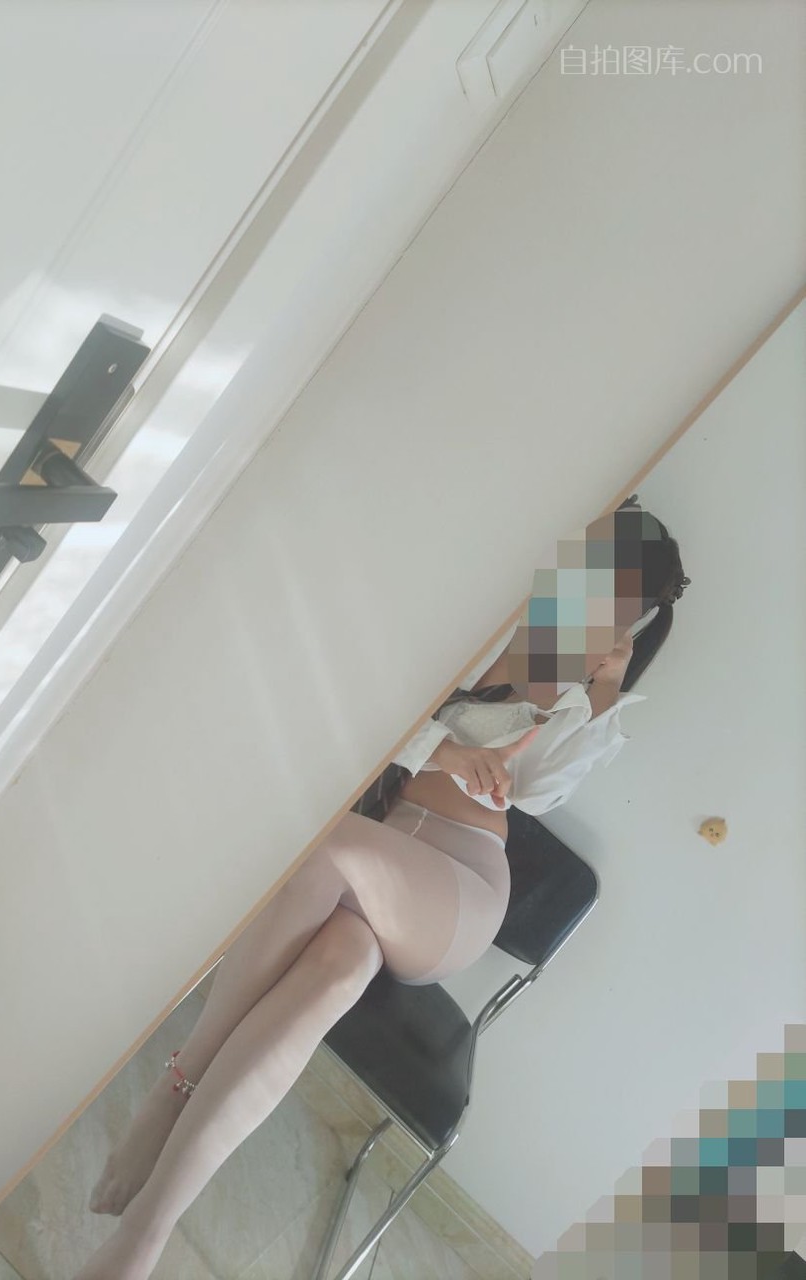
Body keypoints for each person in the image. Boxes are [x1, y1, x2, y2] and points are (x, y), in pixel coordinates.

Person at [73, 498, 690, 1280]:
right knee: (333, 966)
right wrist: (444, 755)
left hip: (456, 890)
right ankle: (145, 1236)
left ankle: (175, 1085)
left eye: (616, 603)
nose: (590, 595)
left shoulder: (572, 694)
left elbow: (541, 790)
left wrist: (602, 691)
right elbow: (365, 708)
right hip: (377, 861)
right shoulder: (483, 612)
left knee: (327, 844)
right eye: (593, 566)